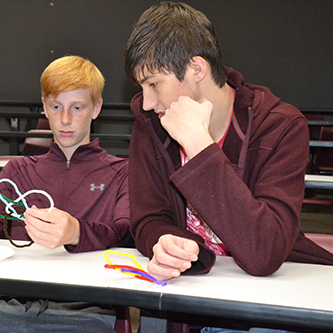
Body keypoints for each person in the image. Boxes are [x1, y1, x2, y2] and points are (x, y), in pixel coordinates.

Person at [123, 2, 333, 332]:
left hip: (273, 301)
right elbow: (148, 217)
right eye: (141, 88)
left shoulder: (280, 126)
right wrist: (166, 241)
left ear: (196, 69)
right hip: (195, 293)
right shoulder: (150, 125)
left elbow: (265, 252)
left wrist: (199, 146)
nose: (147, 102)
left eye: (154, 84)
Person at [0, 55, 131, 332]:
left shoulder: (121, 173)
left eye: (77, 108)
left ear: (96, 108)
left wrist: (77, 232)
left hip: (85, 310)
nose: (65, 119)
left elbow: (127, 233)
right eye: (56, 107)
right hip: (7, 304)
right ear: (44, 106)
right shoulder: (18, 170)